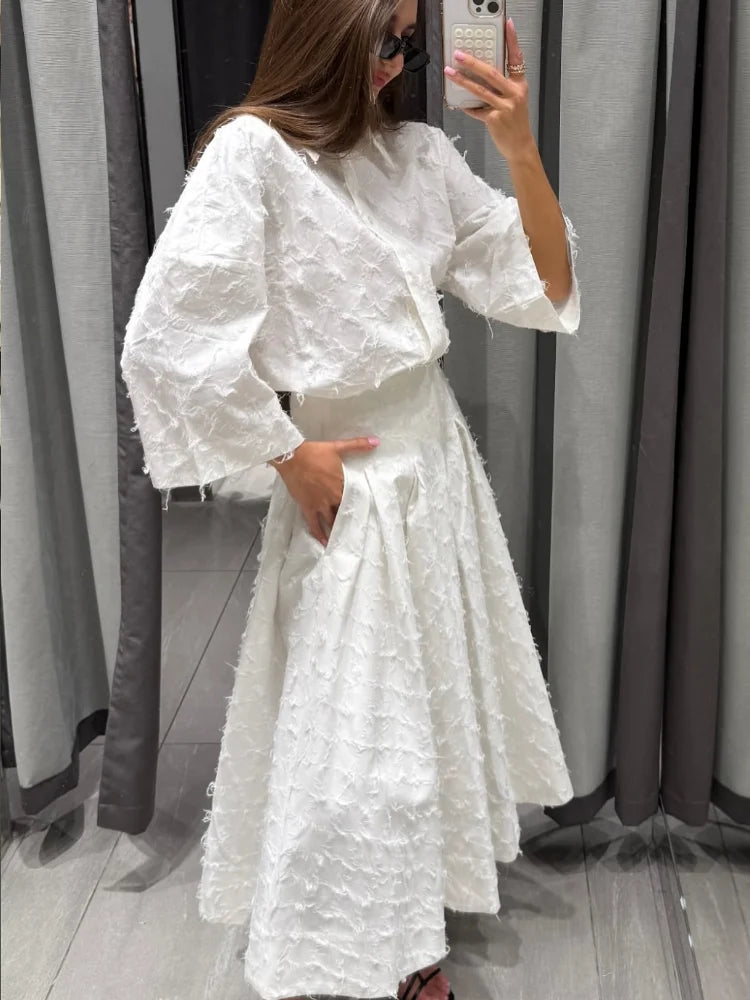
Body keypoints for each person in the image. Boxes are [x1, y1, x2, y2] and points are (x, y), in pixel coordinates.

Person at [120, 1, 581, 998]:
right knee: (356, 725)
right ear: (323, 27)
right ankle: (373, 944)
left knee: (422, 699)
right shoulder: (254, 155)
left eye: (409, 39)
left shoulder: (420, 156)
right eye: (382, 35)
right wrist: (288, 452)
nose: (396, 61)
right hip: (353, 475)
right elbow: (165, 339)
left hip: (435, 465)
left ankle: (411, 919)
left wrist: (520, 150)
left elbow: (542, 284)